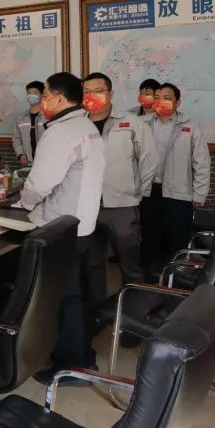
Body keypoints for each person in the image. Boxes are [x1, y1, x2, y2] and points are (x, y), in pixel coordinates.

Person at [16, 72, 105, 387]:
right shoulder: (86, 127)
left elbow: (39, 184)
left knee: (65, 296)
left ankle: (73, 366)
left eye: (45, 96)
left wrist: (24, 203)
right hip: (81, 223)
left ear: (59, 98)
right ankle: (80, 354)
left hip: (61, 227)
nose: (42, 102)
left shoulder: (62, 133)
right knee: (75, 293)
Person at [82, 73, 157, 287]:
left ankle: (133, 304)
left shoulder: (131, 122)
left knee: (130, 265)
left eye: (98, 91)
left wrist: (137, 194)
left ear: (111, 94)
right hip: (85, 206)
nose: (92, 95)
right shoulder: (77, 124)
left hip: (122, 206)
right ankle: (96, 306)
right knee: (91, 265)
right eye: (87, 92)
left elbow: (149, 160)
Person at [140, 83, 211, 278]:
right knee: (149, 240)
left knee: (176, 241)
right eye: (157, 97)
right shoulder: (142, 124)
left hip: (179, 194)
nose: (160, 101)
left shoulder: (190, 126)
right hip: (148, 192)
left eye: (167, 98)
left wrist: (199, 194)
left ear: (177, 102)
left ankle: (175, 282)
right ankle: (148, 282)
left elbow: (202, 163)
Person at [12, 80, 47, 165]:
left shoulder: (48, 117)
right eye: (29, 93)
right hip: (28, 163)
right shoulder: (21, 118)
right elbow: (16, 139)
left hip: (46, 162)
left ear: (42, 94)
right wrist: (20, 154)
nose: (31, 95)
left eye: (35, 92)